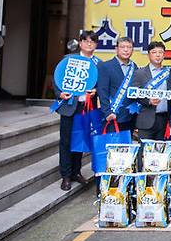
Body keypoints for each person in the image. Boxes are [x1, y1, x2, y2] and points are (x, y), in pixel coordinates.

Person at [53, 30, 98, 191]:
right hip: (69, 106)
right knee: (65, 141)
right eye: (86, 41)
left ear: (96, 45)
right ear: (80, 43)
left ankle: (76, 172)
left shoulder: (97, 64)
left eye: (92, 42)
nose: (89, 44)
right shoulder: (68, 60)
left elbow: (101, 85)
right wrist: (60, 94)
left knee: (80, 141)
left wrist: (96, 91)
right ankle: (65, 176)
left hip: (86, 108)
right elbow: (57, 79)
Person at [97, 37, 138, 132]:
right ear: (116, 49)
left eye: (129, 47)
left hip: (130, 116)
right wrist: (107, 112)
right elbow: (102, 92)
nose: (126, 50)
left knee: (127, 145)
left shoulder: (134, 67)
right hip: (113, 115)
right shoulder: (105, 66)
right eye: (122, 47)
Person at [131, 42, 169, 140]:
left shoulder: (169, 72)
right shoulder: (140, 73)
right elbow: (133, 94)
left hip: (164, 119)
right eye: (154, 52)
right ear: (148, 55)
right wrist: (148, 101)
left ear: (164, 55)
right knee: (145, 151)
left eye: (161, 52)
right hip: (146, 119)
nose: (158, 55)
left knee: (161, 153)